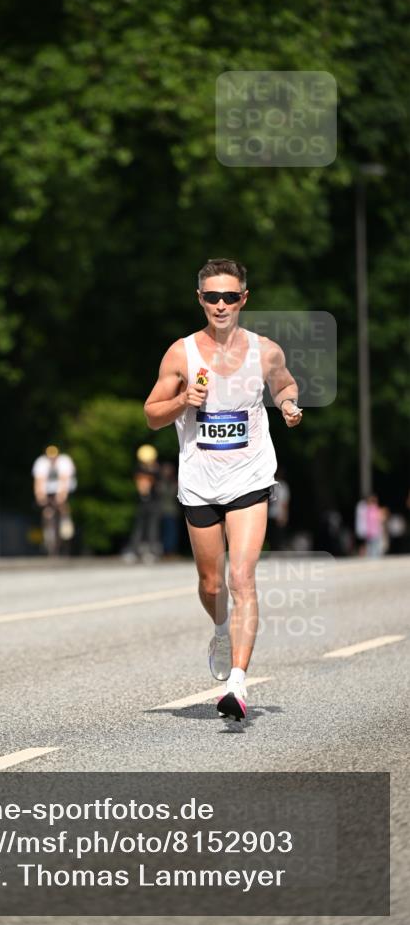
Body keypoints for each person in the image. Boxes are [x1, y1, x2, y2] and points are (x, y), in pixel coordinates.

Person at [144, 258, 303, 721]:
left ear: (243, 299)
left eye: (229, 296)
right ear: (200, 300)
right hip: (199, 482)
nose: (220, 304)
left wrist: (288, 404)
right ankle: (219, 629)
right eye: (212, 296)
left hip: (250, 478)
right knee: (212, 582)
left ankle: (237, 681)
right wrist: (181, 401)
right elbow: (152, 414)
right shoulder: (181, 354)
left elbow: (284, 382)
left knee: (241, 578)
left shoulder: (265, 350)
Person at [32, 445, 77, 555]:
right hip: (48, 489)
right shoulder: (41, 463)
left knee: (62, 506)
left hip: (66, 487)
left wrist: (62, 496)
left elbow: (64, 479)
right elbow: (39, 481)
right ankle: (48, 536)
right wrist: (40, 496)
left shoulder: (64, 462)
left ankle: (66, 522)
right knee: (47, 511)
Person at [123, 445, 162, 562]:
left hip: (154, 503)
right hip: (142, 503)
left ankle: (152, 552)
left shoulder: (156, 470)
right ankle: (134, 551)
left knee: (152, 528)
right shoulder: (139, 469)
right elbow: (142, 487)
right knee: (139, 528)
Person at [267, 468, 290, 550]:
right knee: (275, 536)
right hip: (273, 514)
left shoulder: (274, 485)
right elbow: (284, 503)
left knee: (276, 536)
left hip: (276, 514)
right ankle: (275, 551)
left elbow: (284, 503)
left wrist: (284, 515)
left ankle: (276, 550)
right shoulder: (280, 486)